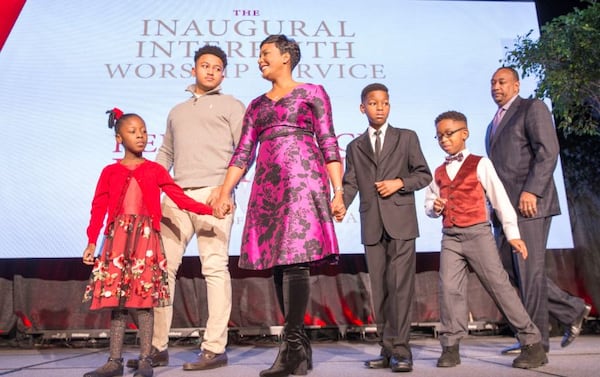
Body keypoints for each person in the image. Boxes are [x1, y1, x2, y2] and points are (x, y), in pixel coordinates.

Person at [213, 34, 345, 377]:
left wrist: (338, 190)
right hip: (268, 187)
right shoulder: (256, 105)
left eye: (265, 54)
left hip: (303, 180)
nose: (260, 60)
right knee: (277, 263)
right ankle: (299, 350)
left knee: (296, 260)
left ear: (286, 57)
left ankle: (291, 348)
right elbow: (243, 152)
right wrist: (225, 191)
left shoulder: (312, 92)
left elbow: (328, 139)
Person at [125, 45, 245, 372]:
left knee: (215, 268)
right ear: (193, 69)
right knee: (162, 271)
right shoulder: (176, 111)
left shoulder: (232, 106)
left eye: (217, 67)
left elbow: (244, 152)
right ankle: (156, 347)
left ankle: (214, 348)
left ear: (223, 74)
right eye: (204, 65)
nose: (210, 71)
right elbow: (165, 154)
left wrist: (225, 191)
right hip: (176, 195)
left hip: (213, 194)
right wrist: (151, 192)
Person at [82, 109, 215, 377]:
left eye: (143, 131)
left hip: (145, 241)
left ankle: (145, 359)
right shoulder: (110, 171)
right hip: (117, 241)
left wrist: (210, 210)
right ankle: (114, 361)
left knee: (144, 302)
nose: (140, 136)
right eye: (133, 131)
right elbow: (98, 208)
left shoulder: (154, 170)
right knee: (117, 304)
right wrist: (91, 241)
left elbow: (180, 198)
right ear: (119, 138)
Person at [424, 110, 547, 369]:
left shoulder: (481, 163)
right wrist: (434, 208)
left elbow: (500, 200)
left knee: (499, 287)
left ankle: (532, 344)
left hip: (478, 232)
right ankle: (450, 346)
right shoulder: (438, 171)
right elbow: (428, 205)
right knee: (449, 290)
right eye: (439, 136)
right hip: (451, 237)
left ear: (464, 134)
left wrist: (513, 235)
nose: (444, 140)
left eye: (449, 134)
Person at [485, 67, 591, 354]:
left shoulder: (532, 108)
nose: (496, 86)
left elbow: (548, 151)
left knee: (528, 272)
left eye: (502, 81)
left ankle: (536, 342)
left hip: (530, 205)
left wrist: (532, 190)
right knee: (508, 270)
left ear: (516, 85)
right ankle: (571, 309)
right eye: (493, 82)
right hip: (506, 211)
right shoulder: (492, 124)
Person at [340, 83, 432, 373]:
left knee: (401, 289)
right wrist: (340, 202)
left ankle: (403, 351)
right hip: (372, 225)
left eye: (385, 103)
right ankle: (387, 348)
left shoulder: (406, 138)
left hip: (402, 224)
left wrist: (399, 183)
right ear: (362, 107)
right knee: (380, 291)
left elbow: (424, 175)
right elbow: (351, 182)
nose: (380, 107)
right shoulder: (355, 147)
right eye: (373, 103)